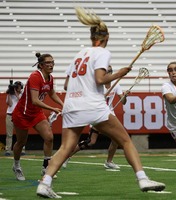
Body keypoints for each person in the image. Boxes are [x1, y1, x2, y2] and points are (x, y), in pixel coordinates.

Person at [36, 7, 165, 198]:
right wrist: (120, 73)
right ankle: (142, 178)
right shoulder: (103, 52)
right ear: (105, 38)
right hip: (92, 106)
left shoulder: (79, 54)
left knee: (65, 148)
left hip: (72, 105)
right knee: (125, 140)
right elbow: (100, 79)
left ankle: (44, 184)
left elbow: (66, 83)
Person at [62, 66, 129, 169]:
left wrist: (125, 96)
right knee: (91, 142)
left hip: (110, 115)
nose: (109, 73)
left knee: (116, 139)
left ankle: (109, 161)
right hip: (98, 114)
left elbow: (123, 101)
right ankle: (67, 156)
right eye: (107, 71)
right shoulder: (98, 85)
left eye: (110, 71)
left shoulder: (116, 85)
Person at [11, 52, 64, 181]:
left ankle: (46, 167)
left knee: (49, 137)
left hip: (36, 113)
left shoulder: (50, 78)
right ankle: (16, 165)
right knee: (21, 142)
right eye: (48, 63)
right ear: (40, 65)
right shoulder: (35, 77)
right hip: (22, 114)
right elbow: (34, 100)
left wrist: (63, 104)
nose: (51, 65)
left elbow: (52, 94)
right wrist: (53, 109)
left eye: (52, 62)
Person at [5, 81, 26, 156]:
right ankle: (8, 149)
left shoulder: (22, 94)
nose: (18, 88)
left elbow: (21, 101)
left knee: (21, 133)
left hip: (19, 116)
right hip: (10, 115)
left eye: (19, 86)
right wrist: (9, 93)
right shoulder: (10, 95)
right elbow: (10, 104)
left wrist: (16, 93)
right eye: (17, 86)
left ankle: (22, 148)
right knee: (9, 134)